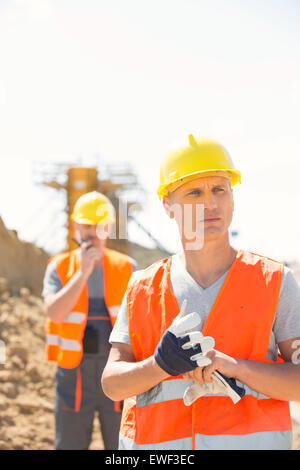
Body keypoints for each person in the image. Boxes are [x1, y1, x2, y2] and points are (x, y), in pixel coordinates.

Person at [101, 135, 300, 450]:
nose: (211, 203)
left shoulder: (274, 281)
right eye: (194, 192)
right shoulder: (142, 288)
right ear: (168, 205)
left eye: (219, 190)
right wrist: (159, 365)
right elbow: (112, 383)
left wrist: (236, 367)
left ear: (232, 198)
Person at [43, 191, 136, 450]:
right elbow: (55, 313)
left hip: (117, 371)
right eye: (86, 225)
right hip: (74, 374)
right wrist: (82, 273)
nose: (91, 232)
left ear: (108, 229)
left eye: (98, 226)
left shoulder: (127, 267)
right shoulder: (59, 267)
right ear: (75, 227)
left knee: (124, 447)